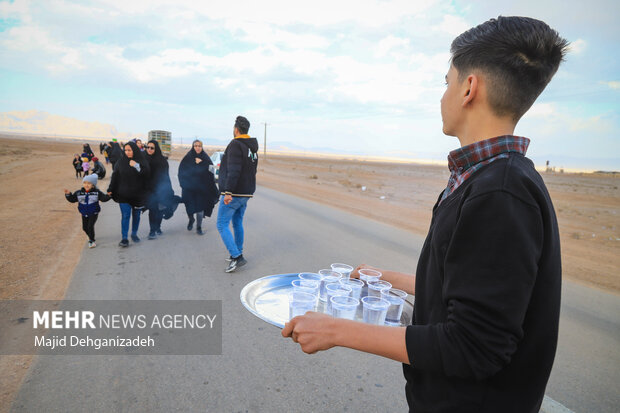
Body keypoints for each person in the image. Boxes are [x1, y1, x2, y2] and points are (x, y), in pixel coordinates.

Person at [282, 16, 567, 413]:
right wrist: (384, 278)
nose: (443, 94)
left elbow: (473, 346)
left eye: (446, 81)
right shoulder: (489, 176)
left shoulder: (500, 192)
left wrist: (337, 329)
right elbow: (468, 286)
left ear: (469, 88)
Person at [216, 116, 258, 273]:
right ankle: (238, 251)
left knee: (221, 224)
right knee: (237, 222)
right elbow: (252, 171)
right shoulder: (252, 148)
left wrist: (228, 192)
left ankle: (236, 257)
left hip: (234, 193)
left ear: (236, 129)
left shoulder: (235, 144)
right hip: (246, 193)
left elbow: (233, 170)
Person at [107, 141, 150, 247]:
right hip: (124, 194)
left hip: (138, 195)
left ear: (134, 150)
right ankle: (124, 238)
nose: (127, 152)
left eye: (129, 150)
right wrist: (110, 188)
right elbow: (115, 176)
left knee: (136, 215)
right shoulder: (120, 162)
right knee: (125, 215)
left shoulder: (141, 161)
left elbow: (146, 174)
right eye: (125, 150)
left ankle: (134, 234)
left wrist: (136, 166)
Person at [178, 139, 219, 236]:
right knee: (189, 208)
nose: (197, 147)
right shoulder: (188, 157)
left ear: (202, 147)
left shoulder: (205, 157)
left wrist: (203, 163)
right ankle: (191, 219)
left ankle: (199, 227)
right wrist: (183, 184)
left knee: (200, 208)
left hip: (201, 189)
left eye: (199, 146)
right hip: (189, 189)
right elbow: (181, 171)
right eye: (195, 146)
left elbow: (212, 171)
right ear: (193, 147)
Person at [64, 173, 111, 248]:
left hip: (93, 212)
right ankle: (90, 235)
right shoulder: (79, 193)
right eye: (85, 183)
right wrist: (68, 195)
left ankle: (92, 241)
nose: (86, 185)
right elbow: (72, 199)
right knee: (84, 227)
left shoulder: (96, 192)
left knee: (90, 226)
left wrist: (109, 195)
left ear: (93, 185)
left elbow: (103, 198)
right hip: (84, 213)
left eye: (89, 183)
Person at [144, 140, 176, 239]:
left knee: (160, 210)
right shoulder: (143, 159)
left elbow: (165, 176)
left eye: (152, 148)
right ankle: (152, 231)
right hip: (149, 190)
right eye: (147, 147)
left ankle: (158, 227)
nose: (149, 149)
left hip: (160, 189)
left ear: (156, 148)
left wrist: (168, 189)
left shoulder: (162, 161)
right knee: (152, 210)